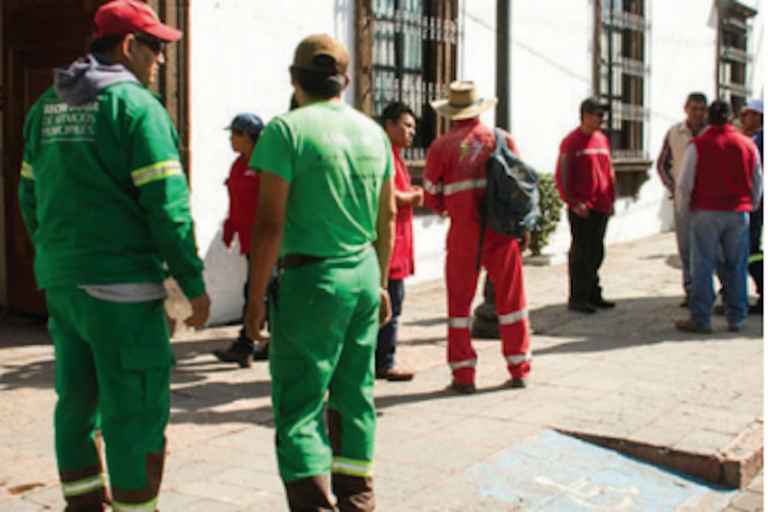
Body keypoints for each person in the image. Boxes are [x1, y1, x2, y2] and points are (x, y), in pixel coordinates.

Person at [17, 1, 210, 511]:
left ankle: (82, 505)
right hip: (123, 291)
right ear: (128, 46)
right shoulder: (139, 110)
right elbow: (168, 211)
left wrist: (57, 256)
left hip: (63, 284)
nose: (162, 60)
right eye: (157, 47)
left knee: (76, 404)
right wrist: (192, 285)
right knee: (135, 411)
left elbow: (27, 196)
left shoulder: (45, 107)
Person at [243, 34, 395, 511]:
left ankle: (312, 505)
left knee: (300, 403)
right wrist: (383, 282)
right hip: (363, 273)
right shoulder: (374, 133)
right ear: (345, 82)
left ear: (294, 78)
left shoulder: (285, 131)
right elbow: (386, 217)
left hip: (311, 281)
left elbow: (269, 224)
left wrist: (253, 301)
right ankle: (358, 502)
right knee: (355, 393)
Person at [423, 81, 532, 395]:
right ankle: (518, 368)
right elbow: (519, 187)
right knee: (512, 303)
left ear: (451, 112)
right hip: (501, 234)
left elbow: (432, 196)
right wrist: (522, 227)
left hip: (463, 237)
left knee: (459, 308)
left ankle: (464, 375)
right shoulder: (501, 138)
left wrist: (450, 205)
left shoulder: (440, 147)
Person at [675, 99, 762, 333]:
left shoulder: (699, 145)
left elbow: (684, 183)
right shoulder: (746, 144)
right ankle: (737, 316)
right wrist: (750, 204)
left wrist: (684, 209)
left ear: (708, 118)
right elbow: (757, 180)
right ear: (731, 118)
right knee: (736, 265)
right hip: (737, 212)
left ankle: (701, 317)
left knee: (702, 265)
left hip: (706, 211)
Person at [213, 113, 271, 367]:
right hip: (248, 239)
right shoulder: (238, 165)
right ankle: (264, 342)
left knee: (259, 291)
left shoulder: (265, 165)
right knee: (260, 291)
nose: (231, 140)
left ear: (247, 136)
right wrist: (229, 229)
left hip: (265, 240)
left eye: (235, 135)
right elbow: (235, 201)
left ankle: (245, 344)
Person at [555, 98, 617, 314]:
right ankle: (578, 296)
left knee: (596, 250)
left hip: (601, 205)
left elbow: (608, 172)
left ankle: (593, 292)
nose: (602, 119)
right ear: (585, 115)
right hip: (583, 207)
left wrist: (611, 199)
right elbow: (563, 174)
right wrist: (572, 202)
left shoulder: (602, 140)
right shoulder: (572, 142)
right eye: (598, 115)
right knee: (581, 252)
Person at [375, 101, 422, 382]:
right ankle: (384, 361)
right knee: (389, 306)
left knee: (394, 304)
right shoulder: (383, 155)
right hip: (388, 247)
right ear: (389, 125)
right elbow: (388, 197)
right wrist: (412, 197)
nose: (411, 132)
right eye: (406, 126)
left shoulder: (397, 156)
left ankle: (381, 358)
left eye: (414, 128)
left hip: (399, 244)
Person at [657, 93, 708, 306]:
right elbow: (662, 164)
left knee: (710, 249)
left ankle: (712, 291)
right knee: (686, 248)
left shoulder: (711, 133)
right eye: (693, 108)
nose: (697, 113)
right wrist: (674, 188)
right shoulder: (675, 133)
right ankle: (690, 291)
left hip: (707, 200)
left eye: (701, 109)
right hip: (682, 201)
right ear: (686, 109)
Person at [739, 98, 764, 315]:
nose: (743, 120)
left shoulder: (757, 141)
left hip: (755, 205)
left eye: (746, 115)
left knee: (751, 250)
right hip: (755, 203)